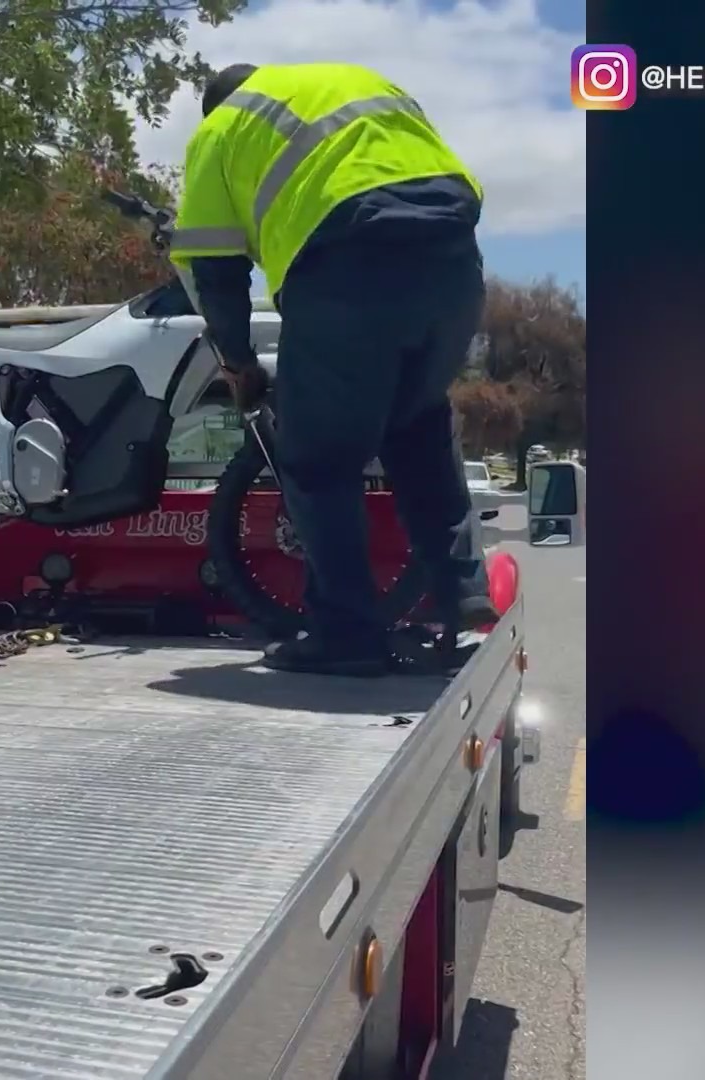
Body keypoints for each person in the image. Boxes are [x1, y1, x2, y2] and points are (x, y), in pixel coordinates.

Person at [170, 61, 494, 677]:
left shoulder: (222, 130)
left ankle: (346, 633)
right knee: (419, 424)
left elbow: (213, 269)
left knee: (319, 460)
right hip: (455, 268)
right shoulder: (359, 83)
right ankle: (462, 590)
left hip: (351, 272)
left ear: (215, 105)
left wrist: (237, 364)